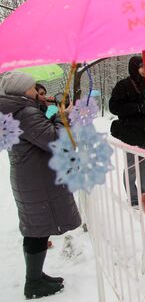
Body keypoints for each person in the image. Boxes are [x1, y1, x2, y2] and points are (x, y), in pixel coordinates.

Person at [0, 71, 81, 299]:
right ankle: (33, 283)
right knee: (36, 230)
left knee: (36, 228)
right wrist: (62, 117)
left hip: (29, 176)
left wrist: (48, 113)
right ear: (22, 90)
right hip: (36, 178)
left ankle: (36, 276)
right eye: (33, 89)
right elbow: (55, 141)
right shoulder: (23, 112)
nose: (37, 92)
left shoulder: (14, 109)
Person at [109, 55, 145, 207]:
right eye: (142, 66)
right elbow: (114, 107)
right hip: (130, 133)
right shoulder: (123, 85)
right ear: (134, 67)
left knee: (144, 167)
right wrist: (137, 108)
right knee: (131, 167)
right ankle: (133, 197)